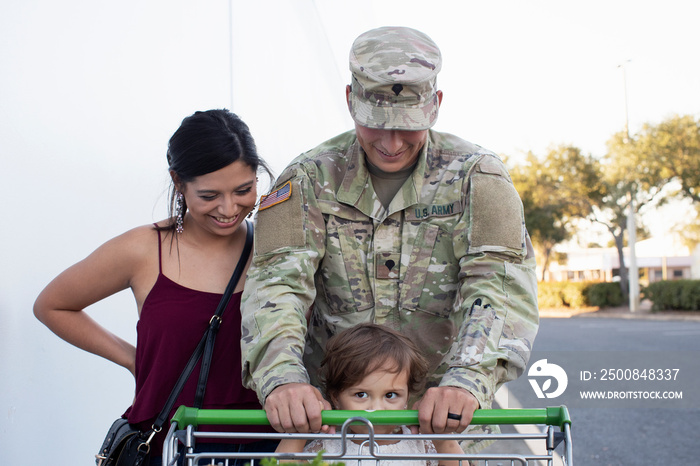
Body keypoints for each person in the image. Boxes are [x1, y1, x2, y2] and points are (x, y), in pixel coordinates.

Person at [240, 26, 539, 445]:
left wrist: (467, 379)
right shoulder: (308, 178)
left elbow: (500, 288)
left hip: (447, 426)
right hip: (335, 426)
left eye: (408, 126)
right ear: (349, 100)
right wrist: (282, 377)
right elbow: (277, 285)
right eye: (375, 124)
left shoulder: (479, 179)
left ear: (436, 106)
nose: (392, 143)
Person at [34, 109, 277, 465]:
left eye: (244, 190)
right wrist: (135, 361)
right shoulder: (143, 249)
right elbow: (52, 305)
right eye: (209, 195)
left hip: (262, 445)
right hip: (164, 446)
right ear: (178, 182)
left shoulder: (276, 249)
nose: (229, 208)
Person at [276, 323, 464, 465]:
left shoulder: (421, 446)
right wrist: (297, 433)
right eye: (361, 395)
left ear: (407, 398)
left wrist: (443, 440)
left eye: (390, 395)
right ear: (336, 398)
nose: (376, 408)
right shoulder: (328, 449)